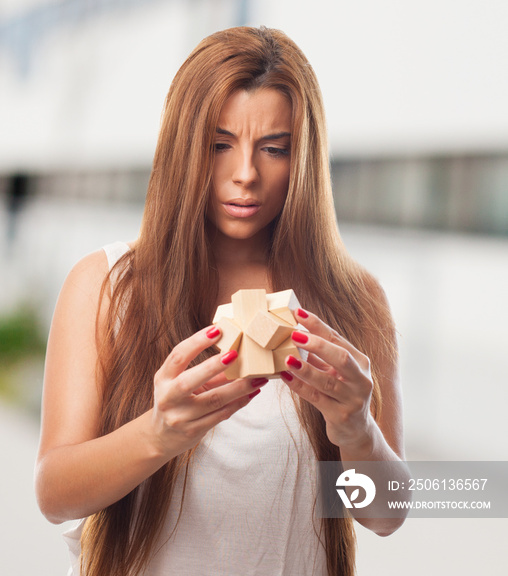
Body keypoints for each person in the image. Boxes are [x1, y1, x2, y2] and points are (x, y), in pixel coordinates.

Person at [35, 26, 405, 576]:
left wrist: (355, 427)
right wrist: (159, 433)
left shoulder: (354, 298)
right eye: (219, 145)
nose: (246, 175)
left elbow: (386, 515)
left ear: (304, 157)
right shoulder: (108, 284)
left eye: (274, 148)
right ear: (183, 147)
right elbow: (55, 494)